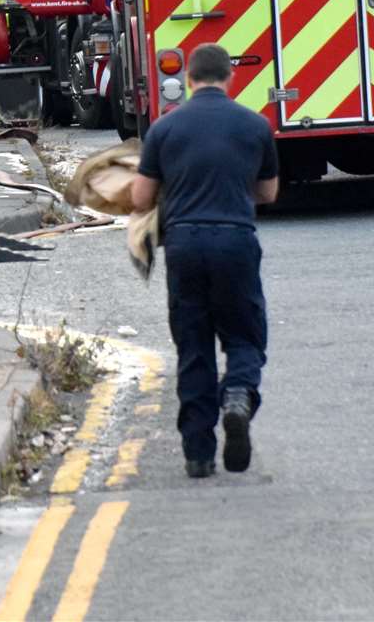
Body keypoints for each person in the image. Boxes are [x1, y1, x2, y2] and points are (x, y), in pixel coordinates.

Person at [130, 43, 279, 478]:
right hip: (235, 241)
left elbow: (141, 198)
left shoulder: (165, 128)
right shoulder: (255, 126)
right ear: (229, 78)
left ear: (190, 79)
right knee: (244, 336)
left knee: (193, 346)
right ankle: (237, 393)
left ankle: (198, 453)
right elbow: (268, 193)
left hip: (184, 243)